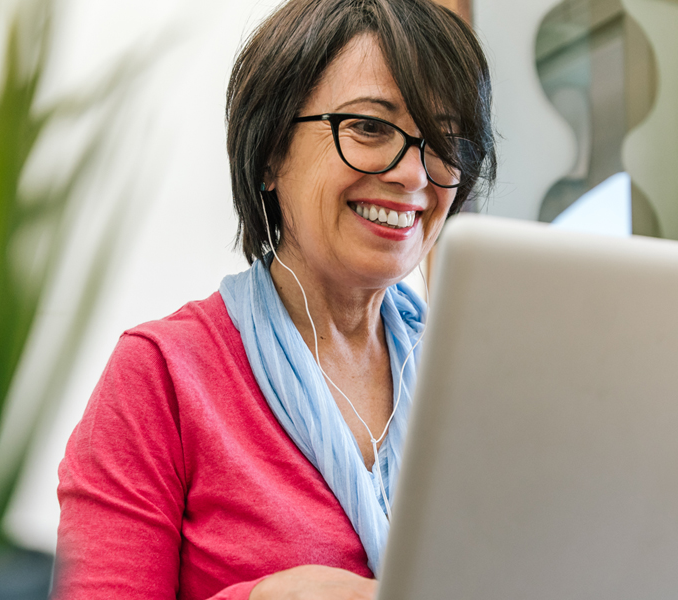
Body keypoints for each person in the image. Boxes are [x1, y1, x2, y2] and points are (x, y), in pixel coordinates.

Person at [51, 0, 494, 598]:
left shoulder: (475, 378)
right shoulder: (162, 377)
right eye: (370, 126)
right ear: (269, 154)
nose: (414, 174)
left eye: (444, 139)